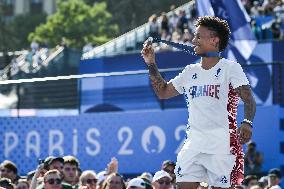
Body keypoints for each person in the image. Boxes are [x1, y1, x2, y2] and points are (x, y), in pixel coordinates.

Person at [141, 16, 256, 189]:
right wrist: (151, 63)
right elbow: (163, 92)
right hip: (193, 145)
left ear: (214, 40)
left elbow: (249, 99)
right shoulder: (190, 71)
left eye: (198, 37)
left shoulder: (230, 68)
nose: (193, 40)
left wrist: (247, 122)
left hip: (221, 147)